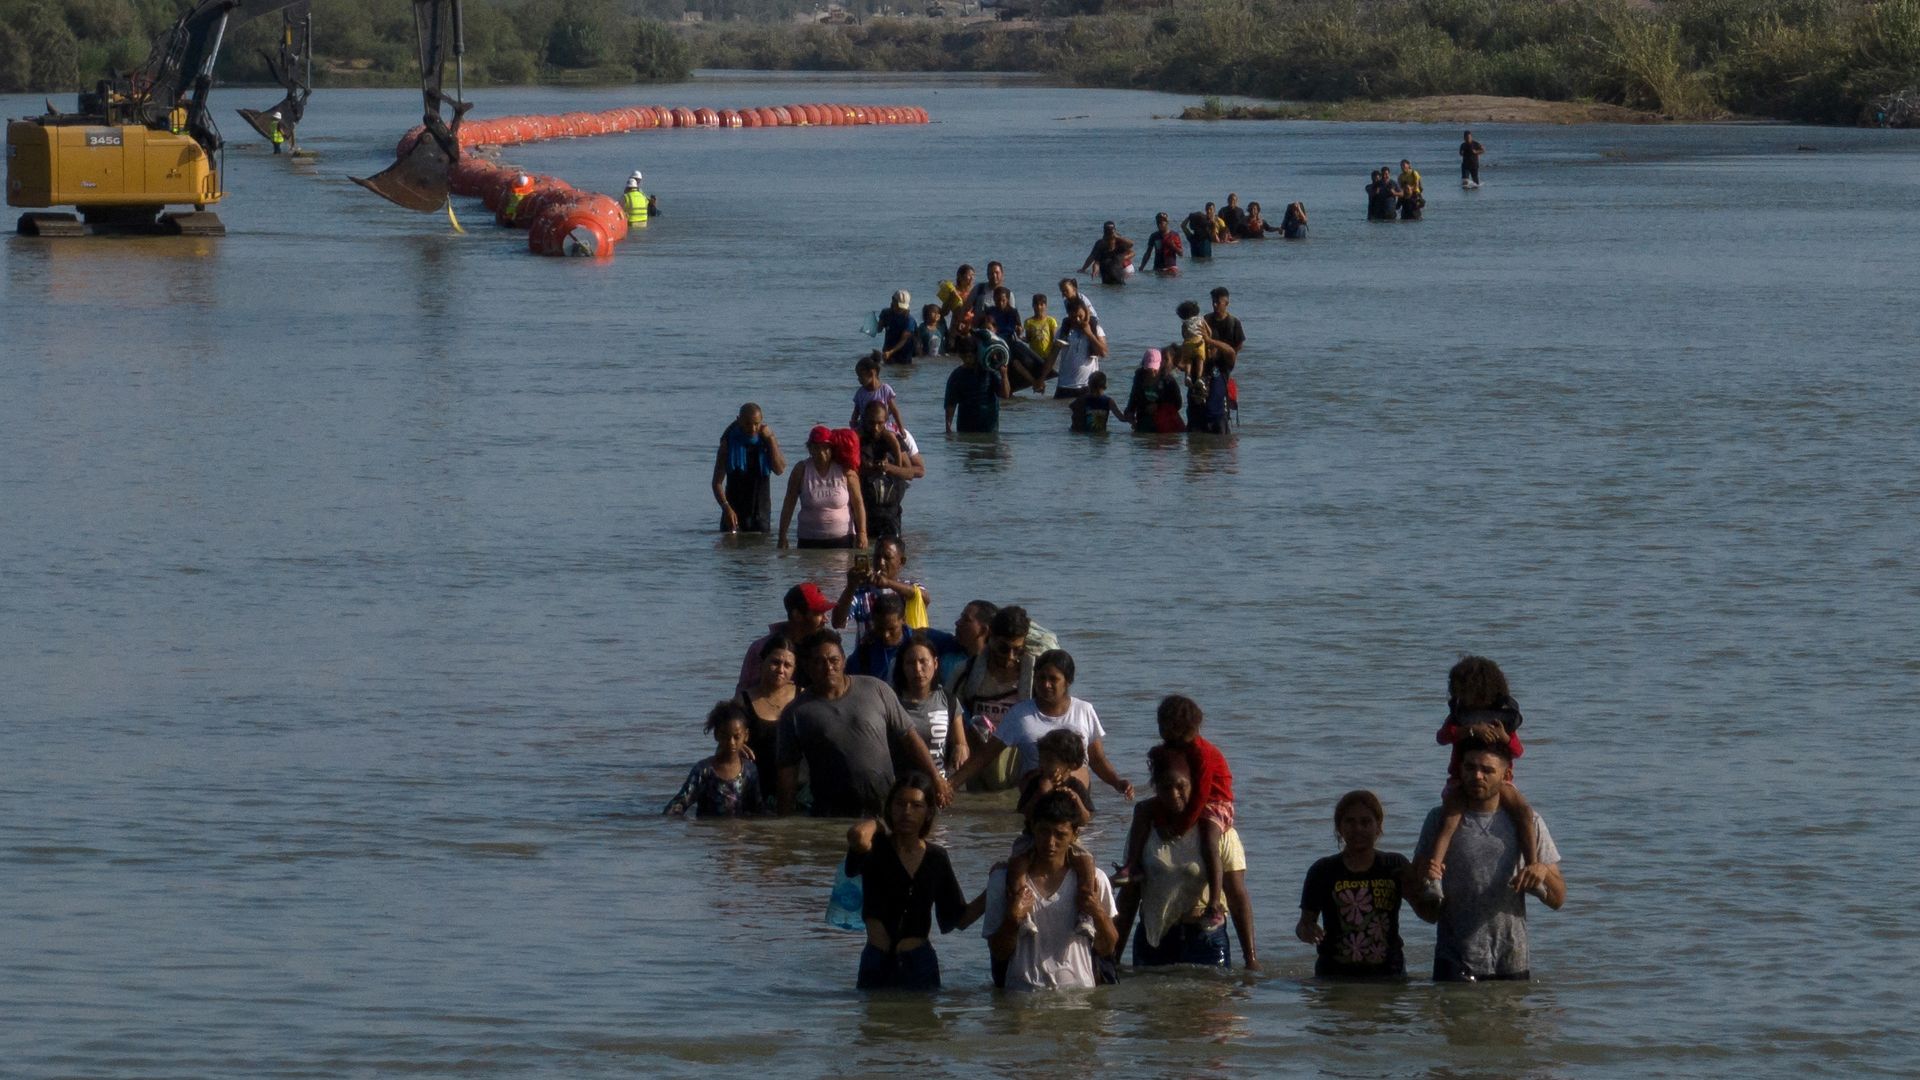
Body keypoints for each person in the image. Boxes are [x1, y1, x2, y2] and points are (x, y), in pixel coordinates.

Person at [1408, 724, 1564, 981]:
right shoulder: (1438, 820)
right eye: (1470, 768)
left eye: (1487, 770)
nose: (1477, 776)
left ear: (1506, 774)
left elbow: (1558, 900)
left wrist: (1542, 871)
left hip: (1511, 960)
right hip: (1454, 962)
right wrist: (1423, 882)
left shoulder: (1529, 822)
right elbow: (1427, 914)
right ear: (1459, 770)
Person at [775, 630, 951, 817]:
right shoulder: (795, 713)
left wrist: (936, 778)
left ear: (843, 660)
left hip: (885, 808)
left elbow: (909, 737)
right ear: (807, 666)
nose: (828, 667)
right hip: (830, 815)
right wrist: (784, 824)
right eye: (819, 662)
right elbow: (787, 773)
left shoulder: (876, 689)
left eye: (834, 660)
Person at [1113, 749, 1258, 969]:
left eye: (1181, 786)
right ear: (1155, 788)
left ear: (1195, 786)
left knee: (1209, 1003)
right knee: (1151, 1003)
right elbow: (1129, 898)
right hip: (1154, 940)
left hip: (1206, 939)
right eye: (1165, 787)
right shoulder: (1145, 832)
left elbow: (1237, 898)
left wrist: (1251, 960)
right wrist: (1111, 959)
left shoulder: (1221, 833)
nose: (1173, 794)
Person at [1414, 656, 1539, 896]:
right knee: (1450, 818)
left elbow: (1517, 751)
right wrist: (1469, 730)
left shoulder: (1502, 717)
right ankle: (1434, 876)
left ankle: (1532, 865)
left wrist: (1504, 738)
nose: (1464, 698)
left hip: (1500, 782)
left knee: (1524, 811)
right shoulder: (1459, 717)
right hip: (1461, 780)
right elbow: (1442, 737)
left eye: (1467, 692)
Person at [845, 773, 983, 989]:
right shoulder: (876, 849)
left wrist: (995, 888)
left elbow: (959, 918)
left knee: (923, 1022)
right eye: (900, 804)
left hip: (919, 963)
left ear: (928, 812)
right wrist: (877, 823)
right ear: (890, 807)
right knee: (873, 1022)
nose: (906, 812)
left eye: (916, 805)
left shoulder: (936, 858)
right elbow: (857, 837)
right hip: (876, 961)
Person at [981, 789, 1120, 990]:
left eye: (1060, 835)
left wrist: (1098, 913)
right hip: (1024, 1000)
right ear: (1032, 828)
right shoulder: (1001, 881)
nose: (1050, 843)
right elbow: (999, 952)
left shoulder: (1096, 880)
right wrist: (1013, 918)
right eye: (1044, 831)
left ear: (1074, 834)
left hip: (1079, 1000)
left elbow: (1107, 948)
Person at [1115, 695, 1233, 930]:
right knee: (1141, 809)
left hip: (1216, 799)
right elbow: (1164, 785)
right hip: (1188, 795)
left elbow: (1200, 795)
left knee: (1209, 837)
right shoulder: (1170, 749)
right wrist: (1160, 819)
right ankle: (1132, 866)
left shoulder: (1201, 752)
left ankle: (1214, 904)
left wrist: (1180, 826)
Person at [949, 649, 1132, 800]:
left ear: (1067, 681)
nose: (1046, 684)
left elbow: (1097, 759)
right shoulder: (1021, 714)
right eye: (1041, 678)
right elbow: (985, 756)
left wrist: (1117, 783)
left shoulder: (1084, 710)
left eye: (1053, 679)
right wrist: (950, 785)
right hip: (1036, 791)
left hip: (1076, 793)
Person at [1296, 790, 1412, 978]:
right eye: (1350, 822)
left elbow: (1426, 912)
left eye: (1365, 822)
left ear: (1378, 826)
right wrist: (1307, 931)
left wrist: (1430, 879)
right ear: (1339, 827)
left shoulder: (1394, 866)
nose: (1358, 828)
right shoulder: (1323, 870)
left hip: (1389, 975)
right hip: (1334, 976)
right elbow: (1304, 924)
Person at [945, 605, 1059, 790]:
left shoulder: (1035, 679)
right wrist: (959, 742)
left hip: (1021, 765)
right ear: (990, 638)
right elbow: (947, 710)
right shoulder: (966, 672)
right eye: (1003, 648)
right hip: (978, 763)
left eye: (1018, 650)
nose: (1010, 657)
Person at [663, 700, 765, 817]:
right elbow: (679, 804)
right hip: (709, 833)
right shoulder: (703, 770)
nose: (731, 742)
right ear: (716, 734)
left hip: (740, 832)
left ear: (746, 736)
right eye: (725, 736)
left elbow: (757, 809)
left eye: (736, 737)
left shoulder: (750, 770)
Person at [891, 632, 968, 779]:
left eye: (923, 661)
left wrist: (961, 750)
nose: (918, 669)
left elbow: (961, 743)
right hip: (902, 785)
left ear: (935, 663)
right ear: (902, 667)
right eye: (910, 663)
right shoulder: (891, 701)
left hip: (939, 785)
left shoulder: (948, 700)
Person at [777, 425, 866, 550]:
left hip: (843, 539)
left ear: (831, 449)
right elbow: (789, 503)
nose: (821, 453)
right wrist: (782, 535)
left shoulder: (845, 470)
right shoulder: (801, 469)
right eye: (816, 448)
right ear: (810, 449)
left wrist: (862, 533)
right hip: (808, 540)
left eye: (825, 448)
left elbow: (858, 503)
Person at [736, 582, 833, 692]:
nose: (826, 619)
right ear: (797, 615)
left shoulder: (823, 649)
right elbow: (744, 695)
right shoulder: (761, 649)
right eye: (819, 614)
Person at [711, 403, 786, 534]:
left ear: (762, 421)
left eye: (756, 424)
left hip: (761, 514)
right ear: (738, 420)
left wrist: (771, 439)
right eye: (747, 424)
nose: (752, 428)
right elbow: (716, 483)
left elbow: (779, 470)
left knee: (760, 552)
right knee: (731, 553)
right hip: (733, 513)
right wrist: (726, 507)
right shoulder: (728, 444)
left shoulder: (766, 441)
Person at [735, 637, 797, 796]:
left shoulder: (803, 697)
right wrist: (736, 746)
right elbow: (724, 738)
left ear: (794, 669)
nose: (780, 670)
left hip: (797, 788)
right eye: (775, 662)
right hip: (756, 787)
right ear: (761, 663)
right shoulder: (743, 700)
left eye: (787, 665)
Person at [855, 401, 911, 540]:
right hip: (864, 512)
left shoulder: (894, 440)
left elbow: (910, 473)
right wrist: (866, 469)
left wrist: (889, 468)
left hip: (890, 514)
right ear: (863, 420)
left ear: (886, 422)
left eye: (880, 423)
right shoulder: (856, 440)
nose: (875, 427)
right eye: (871, 423)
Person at [943, 336, 1010, 434]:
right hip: (966, 428)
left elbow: (1005, 395)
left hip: (990, 428)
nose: (967, 360)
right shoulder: (956, 376)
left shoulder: (990, 372)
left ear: (977, 354)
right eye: (964, 357)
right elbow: (950, 404)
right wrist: (948, 429)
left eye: (970, 357)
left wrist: (1004, 375)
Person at [1050, 297, 1108, 399]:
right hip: (1064, 386)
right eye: (1074, 317)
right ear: (1068, 315)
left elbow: (1104, 353)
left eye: (1080, 316)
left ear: (1086, 314)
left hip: (1087, 387)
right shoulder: (1063, 332)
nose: (1078, 320)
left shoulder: (1096, 330)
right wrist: (1041, 379)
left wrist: (1090, 334)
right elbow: (1052, 356)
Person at [847, 590, 909, 680]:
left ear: (903, 620)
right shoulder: (864, 653)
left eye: (892, 629)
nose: (886, 635)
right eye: (880, 628)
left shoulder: (918, 645)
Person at [1125, 349, 1185, 434]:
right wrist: (1130, 412)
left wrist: (1158, 406)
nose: (1152, 372)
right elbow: (1134, 397)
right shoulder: (1139, 377)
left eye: (1154, 369)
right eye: (1149, 369)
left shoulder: (1169, 381)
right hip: (1144, 419)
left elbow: (1178, 403)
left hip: (1164, 422)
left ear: (1160, 364)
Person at [851, 356, 906, 437]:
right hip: (865, 427)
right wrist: (853, 426)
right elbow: (856, 412)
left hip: (882, 427)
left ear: (871, 373)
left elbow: (895, 411)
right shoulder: (860, 393)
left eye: (860, 376)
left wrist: (901, 428)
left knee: (892, 438)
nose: (859, 379)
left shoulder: (885, 389)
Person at [1079, 221, 1135, 286]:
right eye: (1107, 231)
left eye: (1111, 232)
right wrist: (1094, 270)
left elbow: (1131, 245)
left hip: (1120, 274)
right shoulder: (1100, 244)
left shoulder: (1120, 243)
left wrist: (1122, 258)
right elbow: (1096, 260)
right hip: (1106, 275)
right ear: (1104, 232)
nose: (1109, 235)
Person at [937, 265, 978, 343]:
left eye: (973, 275)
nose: (972, 278)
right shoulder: (953, 291)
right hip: (956, 327)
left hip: (971, 328)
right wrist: (951, 298)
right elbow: (944, 312)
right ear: (959, 276)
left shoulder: (975, 291)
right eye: (969, 275)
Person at [1203, 287, 1246, 362]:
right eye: (1213, 302)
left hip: (1226, 360)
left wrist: (1230, 356)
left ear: (1227, 303)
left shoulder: (1234, 322)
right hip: (1208, 358)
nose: (1215, 305)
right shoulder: (1206, 319)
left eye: (1218, 302)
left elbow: (1239, 345)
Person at [1022, 293, 1059, 375]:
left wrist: (1053, 357)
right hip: (1034, 356)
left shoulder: (1051, 321)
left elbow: (1054, 340)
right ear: (1033, 305)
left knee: (1048, 377)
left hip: (1048, 356)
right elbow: (1028, 339)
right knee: (1037, 376)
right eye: (1036, 304)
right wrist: (1020, 337)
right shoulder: (1028, 322)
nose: (1039, 307)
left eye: (1041, 304)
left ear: (1046, 306)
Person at [877, 289, 916, 365]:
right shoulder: (885, 313)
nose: (899, 309)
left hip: (905, 353)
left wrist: (891, 352)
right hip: (887, 351)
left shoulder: (909, 320)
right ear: (893, 301)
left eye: (901, 307)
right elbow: (879, 329)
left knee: (903, 372)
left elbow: (903, 340)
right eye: (898, 305)